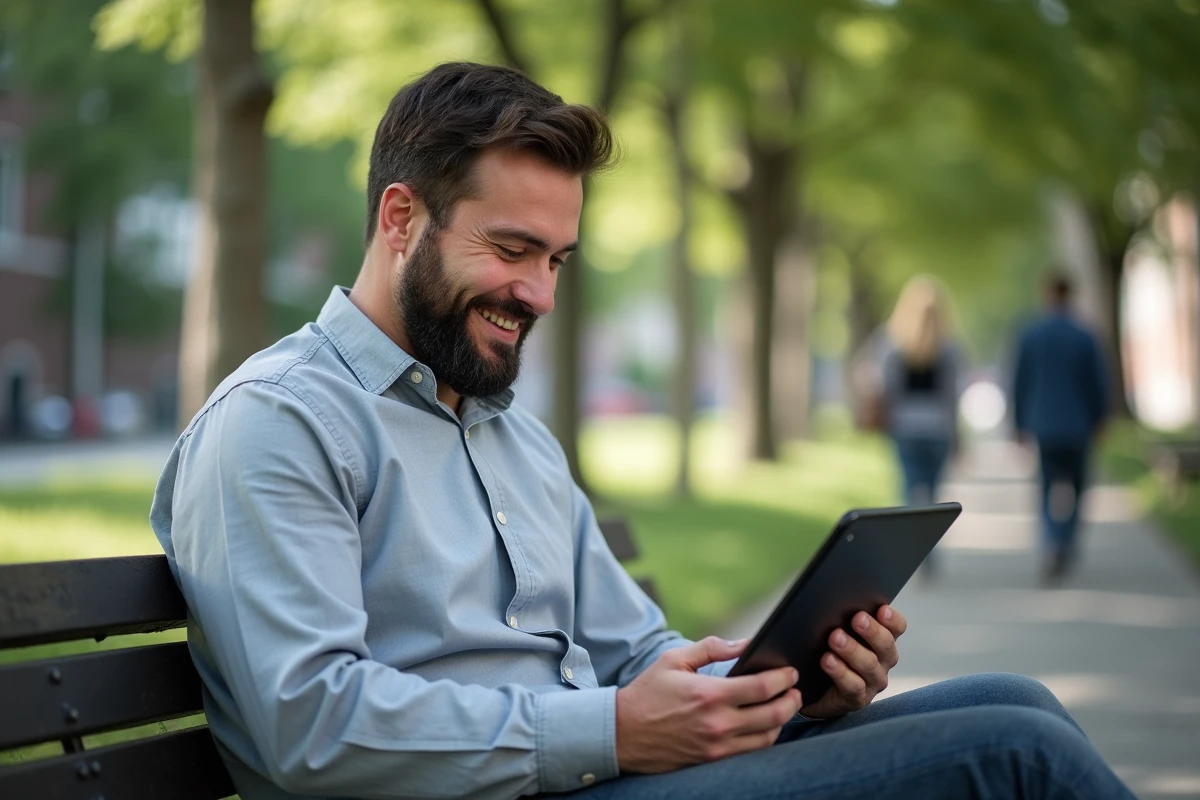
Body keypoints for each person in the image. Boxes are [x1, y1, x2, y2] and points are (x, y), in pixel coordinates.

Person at [151, 63, 1133, 799]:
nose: (537, 291)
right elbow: (310, 724)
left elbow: (635, 652)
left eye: (559, 259)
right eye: (511, 249)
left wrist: (784, 688)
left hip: (599, 775)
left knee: (1016, 697)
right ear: (400, 218)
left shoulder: (506, 432)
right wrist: (612, 730)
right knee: (1020, 757)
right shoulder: (279, 423)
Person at [1012, 273, 1110, 582]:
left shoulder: (1031, 334)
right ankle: (1065, 540)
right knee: (1078, 488)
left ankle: (1052, 541)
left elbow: (1020, 381)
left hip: (1044, 426)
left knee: (1046, 489)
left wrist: (1018, 423)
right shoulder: (1085, 335)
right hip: (1079, 425)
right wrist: (1101, 418)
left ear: (1047, 294)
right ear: (1071, 294)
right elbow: (1098, 383)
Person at [879, 276, 960, 575]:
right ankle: (929, 554)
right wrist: (957, 439)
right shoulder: (949, 349)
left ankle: (911, 556)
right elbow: (951, 398)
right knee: (932, 498)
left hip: (906, 430)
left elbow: (887, 390)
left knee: (910, 493)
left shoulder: (894, 346)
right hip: (937, 431)